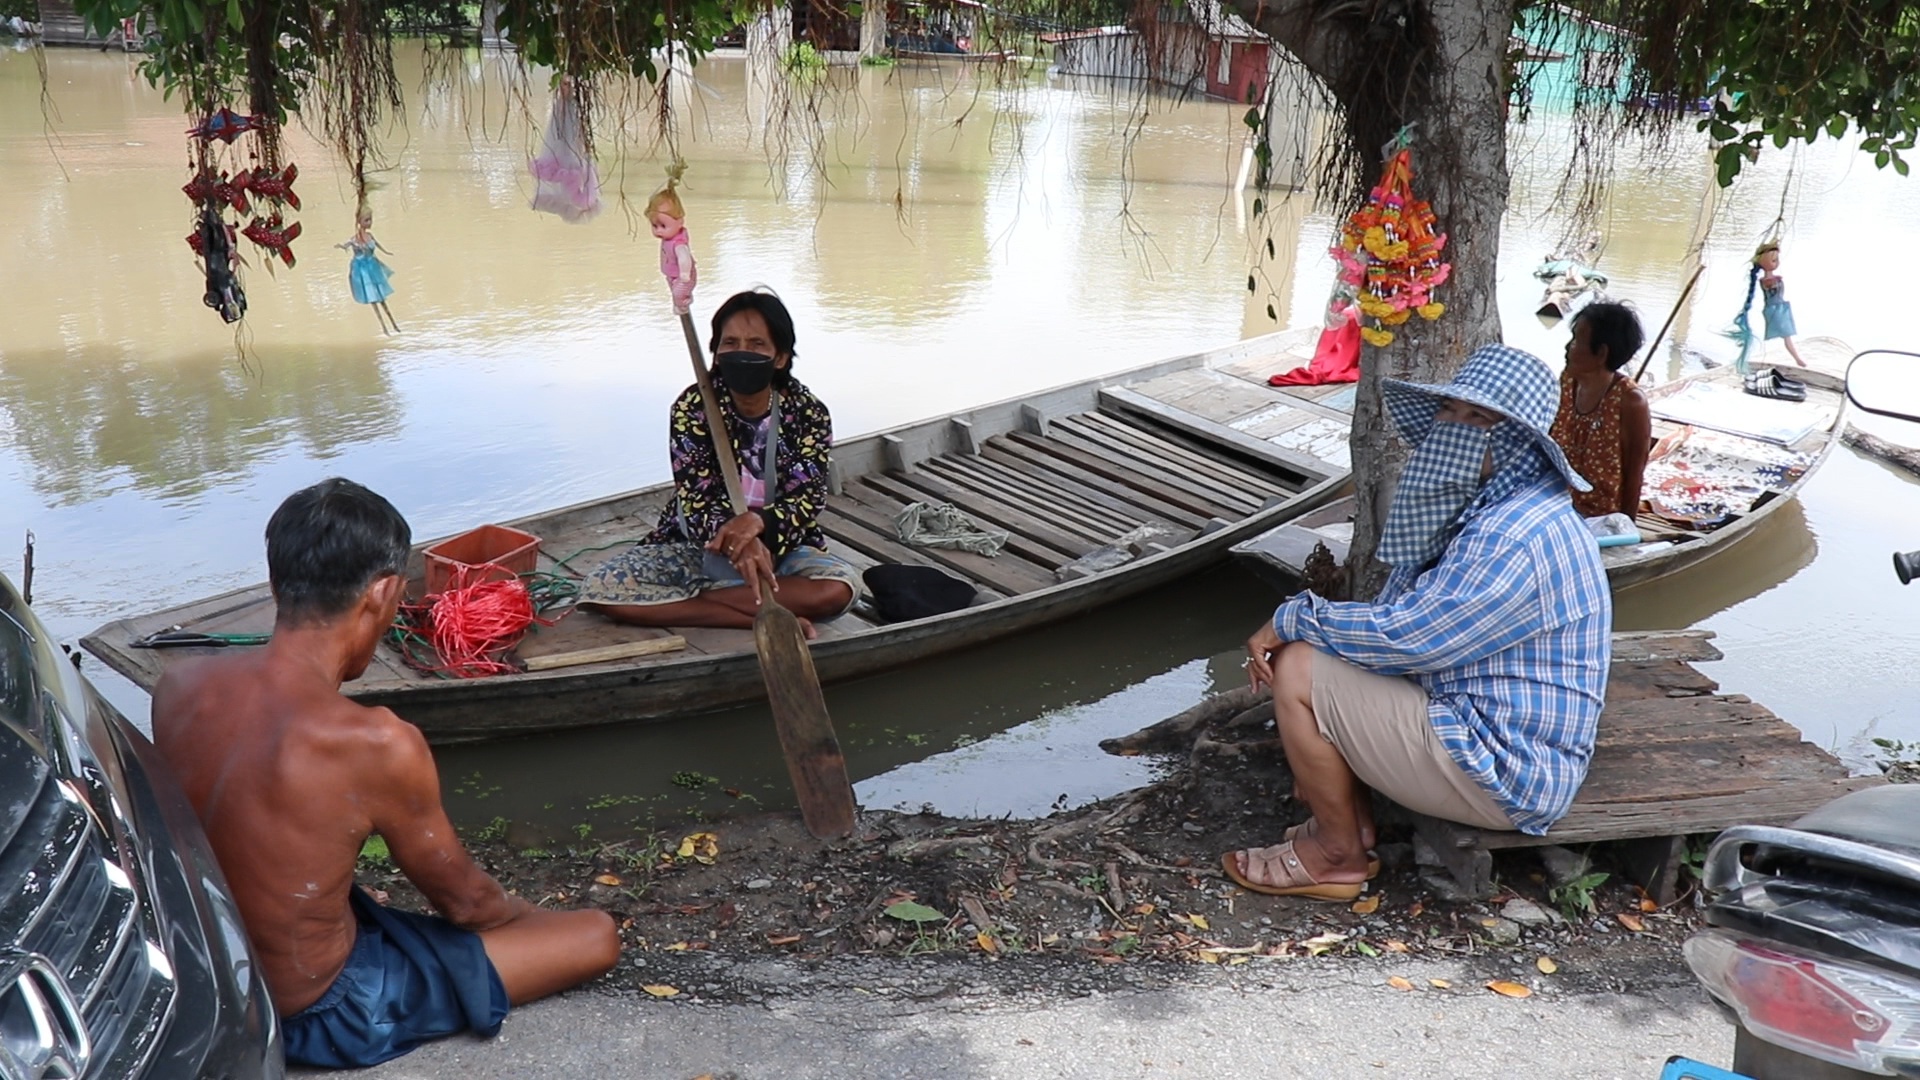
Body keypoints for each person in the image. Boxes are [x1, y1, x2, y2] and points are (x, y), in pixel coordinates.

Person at [152, 479, 620, 1069]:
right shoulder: (376, 741)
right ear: (382, 592)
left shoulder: (179, 687)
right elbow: (470, 906)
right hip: (313, 1010)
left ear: (276, 585)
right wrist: (534, 918)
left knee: (361, 901)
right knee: (594, 935)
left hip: (211, 981)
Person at [1224, 344, 1612, 901]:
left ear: (1516, 441)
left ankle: (1336, 857)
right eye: (1451, 411)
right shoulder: (1501, 508)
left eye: (1476, 418)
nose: (1453, 427)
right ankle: (1347, 827)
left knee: (1299, 668)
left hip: (1507, 771)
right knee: (1315, 653)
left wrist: (1295, 616)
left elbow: (1410, 639)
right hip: (1492, 734)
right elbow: (1399, 626)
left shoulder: (1513, 534)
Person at [577, 289, 859, 633]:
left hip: (782, 548)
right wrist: (742, 542)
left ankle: (690, 604)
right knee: (601, 590)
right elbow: (695, 501)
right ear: (715, 351)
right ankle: (764, 614)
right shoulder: (694, 408)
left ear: (781, 357)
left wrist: (758, 527)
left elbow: (807, 501)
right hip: (698, 545)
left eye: (757, 344)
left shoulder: (808, 412)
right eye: (730, 343)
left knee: (838, 590)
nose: (742, 352)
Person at [1548, 301, 1652, 518]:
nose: (1568, 346)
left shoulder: (1630, 402)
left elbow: (1634, 475)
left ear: (1601, 353)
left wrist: (1625, 530)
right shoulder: (1567, 382)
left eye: (1577, 340)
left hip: (1598, 518)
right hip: (1555, 507)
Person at [337, 209, 399, 335]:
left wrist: (386, 251)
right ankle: (384, 327)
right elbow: (347, 245)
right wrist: (343, 246)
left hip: (373, 267)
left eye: (370, 219)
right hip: (364, 271)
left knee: (382, 299)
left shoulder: (369, 236)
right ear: (359, 222)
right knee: (374, 300)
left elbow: (377, 244)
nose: (370, 222)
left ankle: (393, 324)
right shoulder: (355, 239)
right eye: (367, 220)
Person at [647, 166, 696, 315]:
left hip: (683, 276)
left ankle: (683, 304)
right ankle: (680, 302)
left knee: (678, 294)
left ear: (680, 222)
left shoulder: (678, 242)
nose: (658, 230)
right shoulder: (669, 237)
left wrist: (685, 274)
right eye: (654, 226)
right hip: (672, 274)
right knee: (674, 291)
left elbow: (684, 256)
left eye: (663, 225)